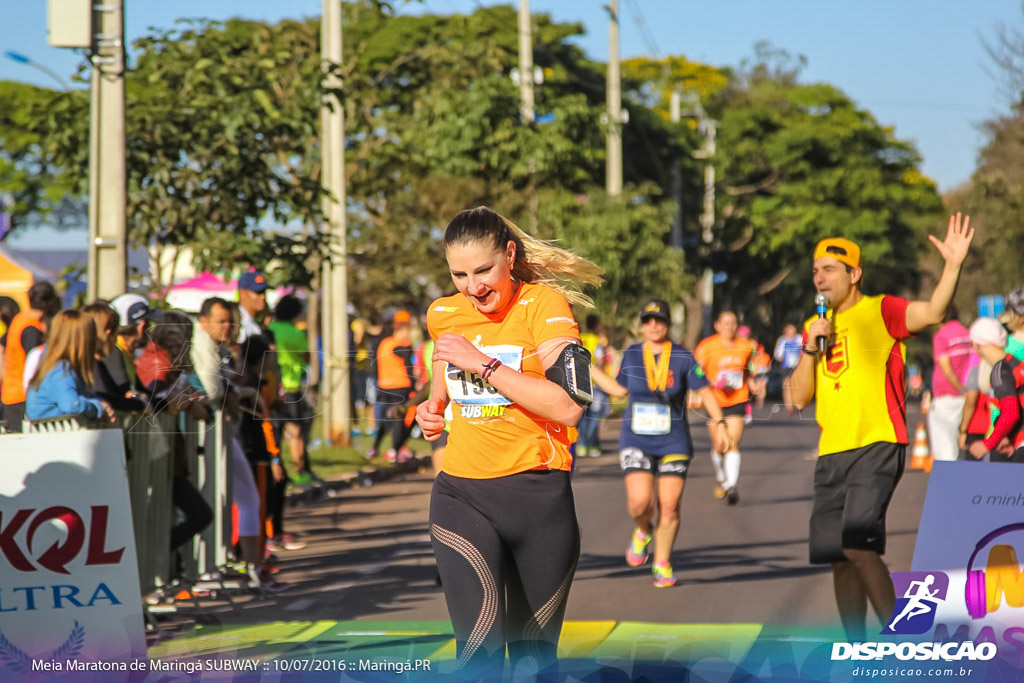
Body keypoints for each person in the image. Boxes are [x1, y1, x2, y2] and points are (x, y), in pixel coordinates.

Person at [416, 206, 602, 679]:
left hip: (539, 499)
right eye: (459, 274)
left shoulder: (543, 306)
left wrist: (485, 364)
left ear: (510, 255)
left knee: (534, 660)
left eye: (483, 271)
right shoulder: (443, 313)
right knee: (477, 650)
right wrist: (431, 407)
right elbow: (445, 367)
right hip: (463, 494)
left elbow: (569, 405)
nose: (472, 287)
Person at [786, 214, 974, 641]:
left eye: (829, 269)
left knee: (857, 544)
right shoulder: (814, 327)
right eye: (815, 270)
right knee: (838, 554)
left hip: (878, 442)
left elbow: (933, 311)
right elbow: (795, 398)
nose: (819, 278)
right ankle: (857, 646)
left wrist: (953, 265)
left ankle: (903, 640)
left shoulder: (881, 309)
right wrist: (810, 348)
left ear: (855, 274)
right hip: (832, 449)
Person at [592, 298, 729, 588]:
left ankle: (662, 562)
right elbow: (618, 391)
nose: (653, 326)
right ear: (641, 325)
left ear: (668, 324)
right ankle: (643, 531)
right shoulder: (630, 354)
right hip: (636, 439)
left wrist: (719, 423)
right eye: (647, 320)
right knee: (641, 502)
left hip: (674, 441)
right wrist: (589, 369)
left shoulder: (683, 356)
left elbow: (704, 392)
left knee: (670, 506)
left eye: (659, 320)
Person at [694, 311, 764, 504]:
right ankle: (722, 477)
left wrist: (753, 385)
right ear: (717, 325)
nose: (730, 327)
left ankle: (731, 486)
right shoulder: (707, 346)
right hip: (714, 401)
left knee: (732, 442)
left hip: (737, 400)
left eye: (733, 323)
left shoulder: (746, 346)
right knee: (720, 444)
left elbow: (749, 372)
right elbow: (696, 373)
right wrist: (713, 382)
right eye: (725, 323)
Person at [26, 309, 115, 425]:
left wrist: (99, 402)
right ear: (82, 342)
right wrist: (96, 407)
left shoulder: (58, 366)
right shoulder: (61, 369)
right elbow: (71, 404)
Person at [267, 294, 316, 483]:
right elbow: (306, 356)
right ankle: (299, 472)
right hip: (291, 386)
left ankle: (278, 468)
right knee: (296, 431)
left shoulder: (270, 328)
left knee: (276, 432)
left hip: (273, 386)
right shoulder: (295, 333)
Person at [2, 281, 60, 431]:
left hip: (10, 391)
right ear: (49, 302)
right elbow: (35, 363)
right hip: (22, 396)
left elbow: (2, 345)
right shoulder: (32, 329)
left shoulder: (19, 319)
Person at [966, 318, 1022, 462]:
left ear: (977, 344)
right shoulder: (1015, 363)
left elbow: (1011, 413)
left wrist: (987, 444)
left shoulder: (1000, 370)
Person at [369, 310, 416, 462]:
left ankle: (375, 447)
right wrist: (414, 388)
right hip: (400, 387)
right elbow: (409, 369)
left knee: (385, 420)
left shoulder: (385, 344)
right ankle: (395, 452)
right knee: (398, 421)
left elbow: (376, 366)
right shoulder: (402, 346)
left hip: (384, 386)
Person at [928, 305, 972, 462]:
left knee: (945, 448)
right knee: (961, 444)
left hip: (947, 396)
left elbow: (946, 370)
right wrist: (967, 391)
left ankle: (950, 483)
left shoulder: (941, 336)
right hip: (968, 398)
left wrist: (961, 389)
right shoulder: (968, 334)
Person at [774, 324, 803, 414]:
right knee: (787, 386)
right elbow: (777, 354)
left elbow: (804, 350)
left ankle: (798, 403)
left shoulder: (799, 339)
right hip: (786, 366)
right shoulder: (782, 340)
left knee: (798, 385)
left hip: (798, 365)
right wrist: (781, 357)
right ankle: (789, 407)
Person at [236, 269, 269, 344]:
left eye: (264, 291)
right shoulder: (238, 323)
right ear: (242, 293)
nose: (263, 296)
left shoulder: (253, 321)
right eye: (258, 292)